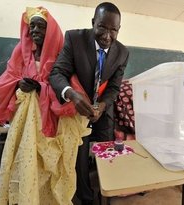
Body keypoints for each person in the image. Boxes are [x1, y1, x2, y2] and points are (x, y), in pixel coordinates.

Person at [0, 7, 90, 205]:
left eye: (40, 26)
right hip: (26, 118)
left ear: (50, 30)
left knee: (51, 165)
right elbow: (7, 79)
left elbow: (66, 82)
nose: (34, 30)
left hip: (53, 116)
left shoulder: (61, 52)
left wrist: (41, 87)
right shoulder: (20, 50)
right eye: (32, 26)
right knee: (28, 161)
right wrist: (19, 84)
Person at [49, 2, 129, 204]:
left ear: (119, 30)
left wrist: (102, 106)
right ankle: (85, 198)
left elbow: (114, 88)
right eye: (102, 27)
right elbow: (57, 73)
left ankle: (107, 194)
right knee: (80, 158)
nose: (107, 36)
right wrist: (72, 95)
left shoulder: (122, 52)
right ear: (93, 22)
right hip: (77, 111)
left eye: (113, 30)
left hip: (103, 111)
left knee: (108, 155)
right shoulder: (74, 39)